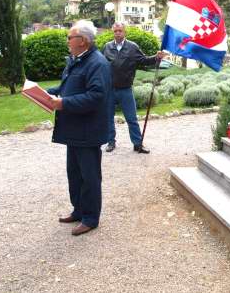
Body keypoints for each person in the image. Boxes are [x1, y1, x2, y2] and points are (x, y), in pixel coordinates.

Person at [47, 20, 112, 236]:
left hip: (88, 131)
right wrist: (45, 93)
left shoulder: (97, 63)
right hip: (73, 129)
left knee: (89, 176)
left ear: (82, 41)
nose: (67, 41)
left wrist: (63, 103)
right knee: (74, 174)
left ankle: (91, 218)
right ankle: (79, 210)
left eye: (69, 37)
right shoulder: (76, 60)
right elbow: (67, 87)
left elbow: (96, 96)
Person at [102, 22, 165, 154]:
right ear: (113, 32)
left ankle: (138, 144)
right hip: (110, 89)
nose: (118, 33)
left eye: (120, 31)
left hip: (125, 89)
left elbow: (143, 60)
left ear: (125, 32)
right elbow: (101, 65)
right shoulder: (107, 47)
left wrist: (156, 58)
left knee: (132, 119)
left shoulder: (132, 47)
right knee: (108, 118)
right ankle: (110, 142)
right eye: (115, 31)